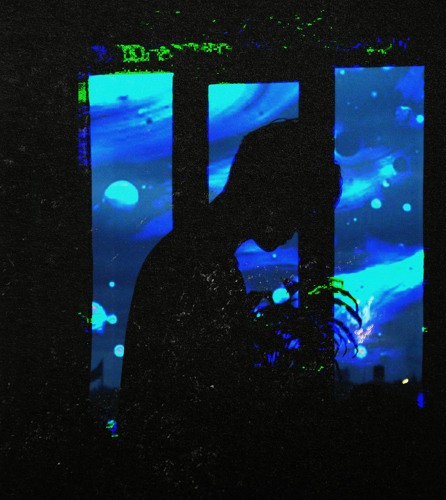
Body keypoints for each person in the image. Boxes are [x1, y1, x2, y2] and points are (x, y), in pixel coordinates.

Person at [119, 118, 342, 494]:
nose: (298, 228)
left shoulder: (193, 253)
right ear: (275, 191)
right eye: (301, 209)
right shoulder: (201, 262)